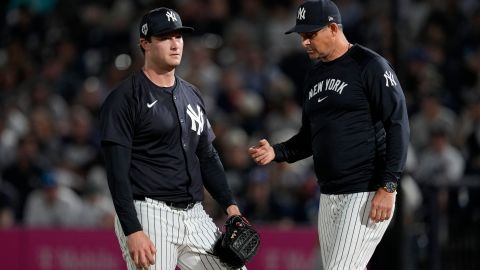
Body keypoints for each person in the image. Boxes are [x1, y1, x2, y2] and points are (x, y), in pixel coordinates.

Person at [248, 1, 410, 269]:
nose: (305, 42)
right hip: (329, 194)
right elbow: (309, 136)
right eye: (302, 36)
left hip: (366, 190)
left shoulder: (369, 65)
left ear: (333, 28)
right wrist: (276, 151)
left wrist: (389, 185)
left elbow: (398, 124)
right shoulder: (314, 75)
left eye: (310, 34)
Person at [99, 7, 245, 270]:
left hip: (195, 214)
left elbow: (208, 156)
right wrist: (132, 229)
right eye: (165, 37)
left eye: (178, 36)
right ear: (145, 43)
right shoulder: (125, 98)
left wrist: (230, 206)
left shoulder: (192, 94)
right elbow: (116, 172)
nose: (175, 43)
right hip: (149, 212)